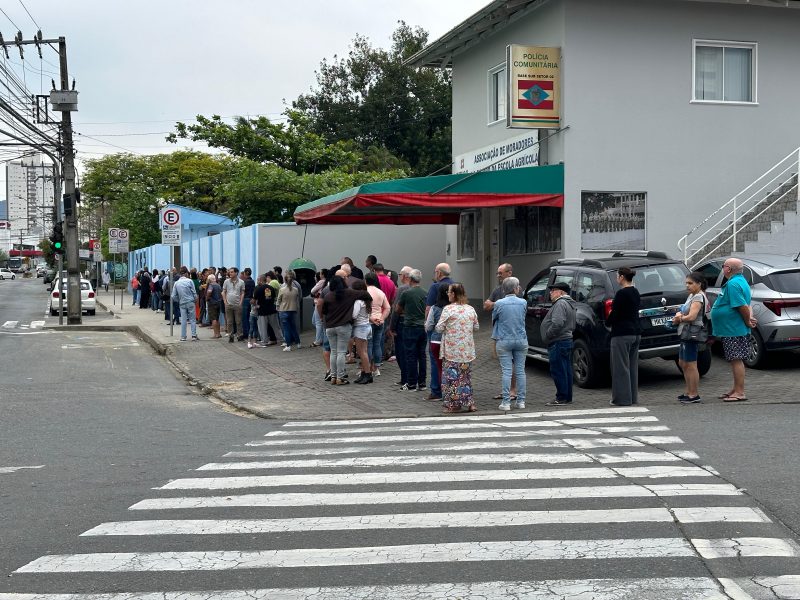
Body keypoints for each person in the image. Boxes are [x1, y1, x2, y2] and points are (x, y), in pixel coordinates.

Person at [710, 257, 757, 402]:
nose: (722, 268)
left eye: (723, 266)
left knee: (736, 360)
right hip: (732, 328)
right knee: (734, 359)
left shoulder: (733, 284)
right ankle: (735, 389)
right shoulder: (740, 281)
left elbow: (741, 305)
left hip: (733, 329)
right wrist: (749, 318)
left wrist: (747, 321)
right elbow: (747, 304)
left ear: (728, 269)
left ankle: (740, 392)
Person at [436, 283, 479, 413]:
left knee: (452, 378)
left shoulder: (448, 309)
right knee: (465, 378)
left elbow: (439, 327)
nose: (447, 294)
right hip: (467, 351)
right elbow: (476, 327)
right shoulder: (470, 309)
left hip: (452, 350)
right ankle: (470, 403)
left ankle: (454, 405)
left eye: (449, 292)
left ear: (453, 294)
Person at [321, 275, 371, 385]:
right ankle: (340, 377)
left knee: (333, 352)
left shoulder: (328, 296)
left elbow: (323, 311)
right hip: (343, 326)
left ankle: (333, 376)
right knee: (341, 352)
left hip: (329, 327)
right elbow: (365, 294)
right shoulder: (349, 293)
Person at [607, 266, 642, 407]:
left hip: (621, 333)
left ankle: (621, 399)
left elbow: (615, 314)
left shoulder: (621, 294)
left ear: (621, 277)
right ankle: (633, 397)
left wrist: (608, 321)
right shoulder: (635, 292)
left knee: (620, 367)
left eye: (617, 276)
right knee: (632, 366)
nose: (617, 278)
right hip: (635, 332)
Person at [673, 271, 709, 404]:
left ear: (699, 284)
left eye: (690, 283)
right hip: (685, 331)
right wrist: (679, 313)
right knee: (683, 362)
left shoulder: (698, 297)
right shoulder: (692, 295)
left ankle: (694, 394)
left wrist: (679, 318)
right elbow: (684, 310)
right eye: (686, 283)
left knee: (691, 364)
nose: (687, 286)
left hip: (692, 332)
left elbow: (692, 317)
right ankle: (688, 391)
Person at [492, 276, 528, 411]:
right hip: (521, 339)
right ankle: (521, 401)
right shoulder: (523, 302)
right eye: (518, 286)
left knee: (506, 371)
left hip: (504, 339)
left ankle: (506, 402)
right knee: (520, 371)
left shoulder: (499, 303)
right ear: (515, 288)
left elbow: (494, 318)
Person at [484, 263, 517, 402]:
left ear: (509, 273)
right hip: (499, 332)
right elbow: (486, 305)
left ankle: (513, 391)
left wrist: (495, 304)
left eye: (500, 273)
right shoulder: (498, 289)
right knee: (504, 363)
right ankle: (507, 390)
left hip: (512, 332)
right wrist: (497, 304)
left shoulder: (516, 287)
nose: (498, 275)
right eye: (497, 273)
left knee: (512, 362)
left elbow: (515, 305)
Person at [541, 281, 577, 406]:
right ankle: (567, 397)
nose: (550, 293)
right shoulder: (569, 303)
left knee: (558, 370)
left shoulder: (561, 303)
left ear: (561, 292)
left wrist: (548, 335)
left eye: (553, 290)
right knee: (566, 369)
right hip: (565, 340)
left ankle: (561, 398)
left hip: (558, 341)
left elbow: (557, 323)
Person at [425, 263, 453, 400]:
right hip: (453, 334)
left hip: (436, 333)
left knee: (436, 362)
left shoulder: (435, 286)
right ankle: (452, 390)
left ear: (439, 273)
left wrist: (427, 325)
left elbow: (428, 308)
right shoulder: (456, 284)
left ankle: (436, 390)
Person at [398, 269, 428, 392]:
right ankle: (422, 383)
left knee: (410, 356)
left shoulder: (406, 293)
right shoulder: (425, 292)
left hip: (410, 326)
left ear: (410, 279)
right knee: (422, 355)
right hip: (422, 327)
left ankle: (411, 383)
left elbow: (398, 309)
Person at [365, 272, 390, 378]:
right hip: (380, 322)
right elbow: (388, 308)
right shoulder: (381, 292)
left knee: (368, 345)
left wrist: (371, 318)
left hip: (368, 321)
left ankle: (368, 368)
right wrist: (381, 318)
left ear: (365, 281)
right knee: (377, 344)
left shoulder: (365, 292)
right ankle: (377, 368)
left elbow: (363, 309)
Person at [350, 280, 374, 384]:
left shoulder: (358, 302)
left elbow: (354, 315)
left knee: (362, 352)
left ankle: (368, 374)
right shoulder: (367, 300)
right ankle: (364, 373)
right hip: (367, 326)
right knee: (365, 351)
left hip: (360, 328)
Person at [171, 266, 199, 341]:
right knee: (192, 319)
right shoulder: (190, 281)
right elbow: (194, 292)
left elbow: (173, 296)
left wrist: (179, 300)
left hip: (182, 303)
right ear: (186, 273)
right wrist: (195, 300)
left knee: (183, 320)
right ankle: (193, 335)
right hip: (190, 302)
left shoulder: (176, 283)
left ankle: (183, 337)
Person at [277, 270, 301, 351]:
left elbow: (278, 300)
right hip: (293, 310)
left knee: (286, 328)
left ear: (285, 280)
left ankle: (288, 345)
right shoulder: (296, 289)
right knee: (293, 327)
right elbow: (298, 298)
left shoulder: (282, 289)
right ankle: (298, 343)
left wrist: (278, 307)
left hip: (284, 310)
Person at [223, 266, 244, 343]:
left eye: (232, 272)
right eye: (229, 272)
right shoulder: (226, 281)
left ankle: (239, 335)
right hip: (228, 304)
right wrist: (225, 301)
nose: (230, 273)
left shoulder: (241, 282)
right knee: (229, 322)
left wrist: (241, 302)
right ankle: (230, 336)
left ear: (236, 273)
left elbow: (242, 293)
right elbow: (224, 292)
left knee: (238, 321)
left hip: (237, 304)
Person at [310, 269, 329, 347]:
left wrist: (314, 294)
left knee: (318, 322)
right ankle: (321, 339)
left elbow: (312, 290)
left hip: (318, 303)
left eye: (320, 273)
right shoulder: (325, 282)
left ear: (323, 275)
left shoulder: (321, 281)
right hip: (318, 303)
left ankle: (318, 341)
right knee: (315, 322)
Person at [205, 274, 223, 338]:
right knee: (217, 319)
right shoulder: (218, 285)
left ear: (209, 280)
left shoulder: (211, 285)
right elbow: (221, 294)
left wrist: (207, 298)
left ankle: (215, 334)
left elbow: (209, 292)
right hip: (218, 303)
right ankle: (219, 333)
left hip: (212, 303)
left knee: (213, 319)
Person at [241, 268, 256, 342]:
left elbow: (242, 292)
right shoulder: (253, 281)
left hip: (245, 300)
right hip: (251, 300)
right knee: (251, 317)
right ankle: (252, 333)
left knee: (244, 318)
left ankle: (246, 334)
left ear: (244, 273)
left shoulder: (244, 282)